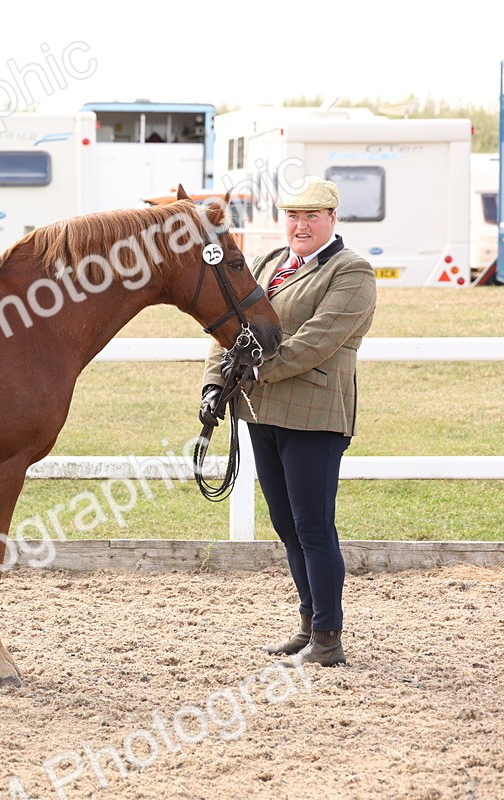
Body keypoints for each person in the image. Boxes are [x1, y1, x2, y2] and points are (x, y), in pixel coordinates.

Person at [198, 178, 377, 667]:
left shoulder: (351, 271)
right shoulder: (268, 263)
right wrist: (214, 383)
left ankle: (328, 637)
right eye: (293, 216)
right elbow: (228, 326)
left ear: (332, 219)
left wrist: (251, 372)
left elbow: (318, 340)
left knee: (313, 527)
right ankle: (309, 623)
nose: (300, 225)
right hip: (263, 412)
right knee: (286, 526)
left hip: (314, 415)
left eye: (311, 216)